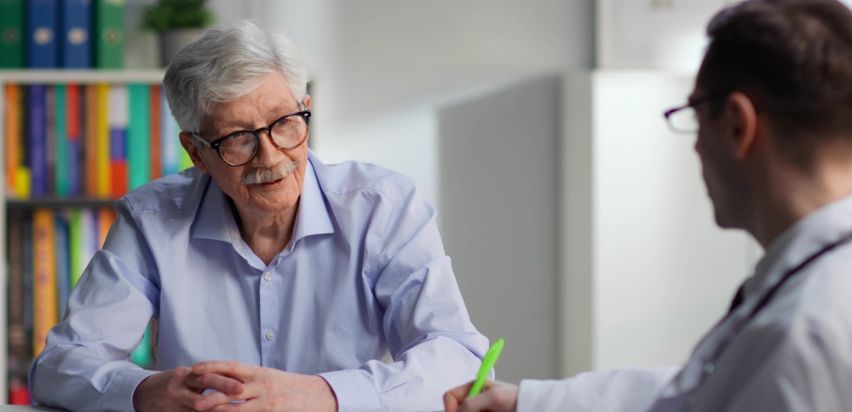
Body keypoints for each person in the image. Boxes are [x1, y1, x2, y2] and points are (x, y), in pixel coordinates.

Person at [29, 20, 488, 412]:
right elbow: (59, 365)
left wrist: (321, 394)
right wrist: (145, 390)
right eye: (238, 138)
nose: (271, 157)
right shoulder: (152, 219)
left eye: (285, 123)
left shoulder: (384, 208)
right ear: (197, 153)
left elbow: (457, 357)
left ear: (306, 111)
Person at [445, 0, 852, 411]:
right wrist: (529, 402)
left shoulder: (804, 336)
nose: (694, 145)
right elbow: (703, 389)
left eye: (693, 115)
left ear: (736, 124)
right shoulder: (812, 299)